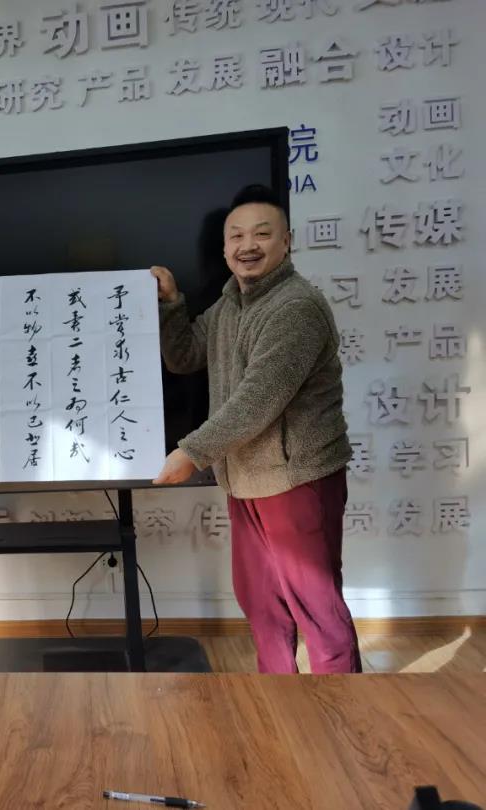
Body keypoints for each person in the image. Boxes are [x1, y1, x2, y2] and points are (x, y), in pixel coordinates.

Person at [150, 185, 361, 674]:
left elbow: (257, 400)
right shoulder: (230, 305)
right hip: (245, 479)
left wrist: (191, 453)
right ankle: (278, 703)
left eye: (262, 234)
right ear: (224, 249)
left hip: (296, 478)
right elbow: (185, 355)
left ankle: (346, 710)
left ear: (286, 241)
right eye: (237, 236)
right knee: (261, 604)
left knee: (317, 609)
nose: (248, 245)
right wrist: (172, 302)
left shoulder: (296, 307)